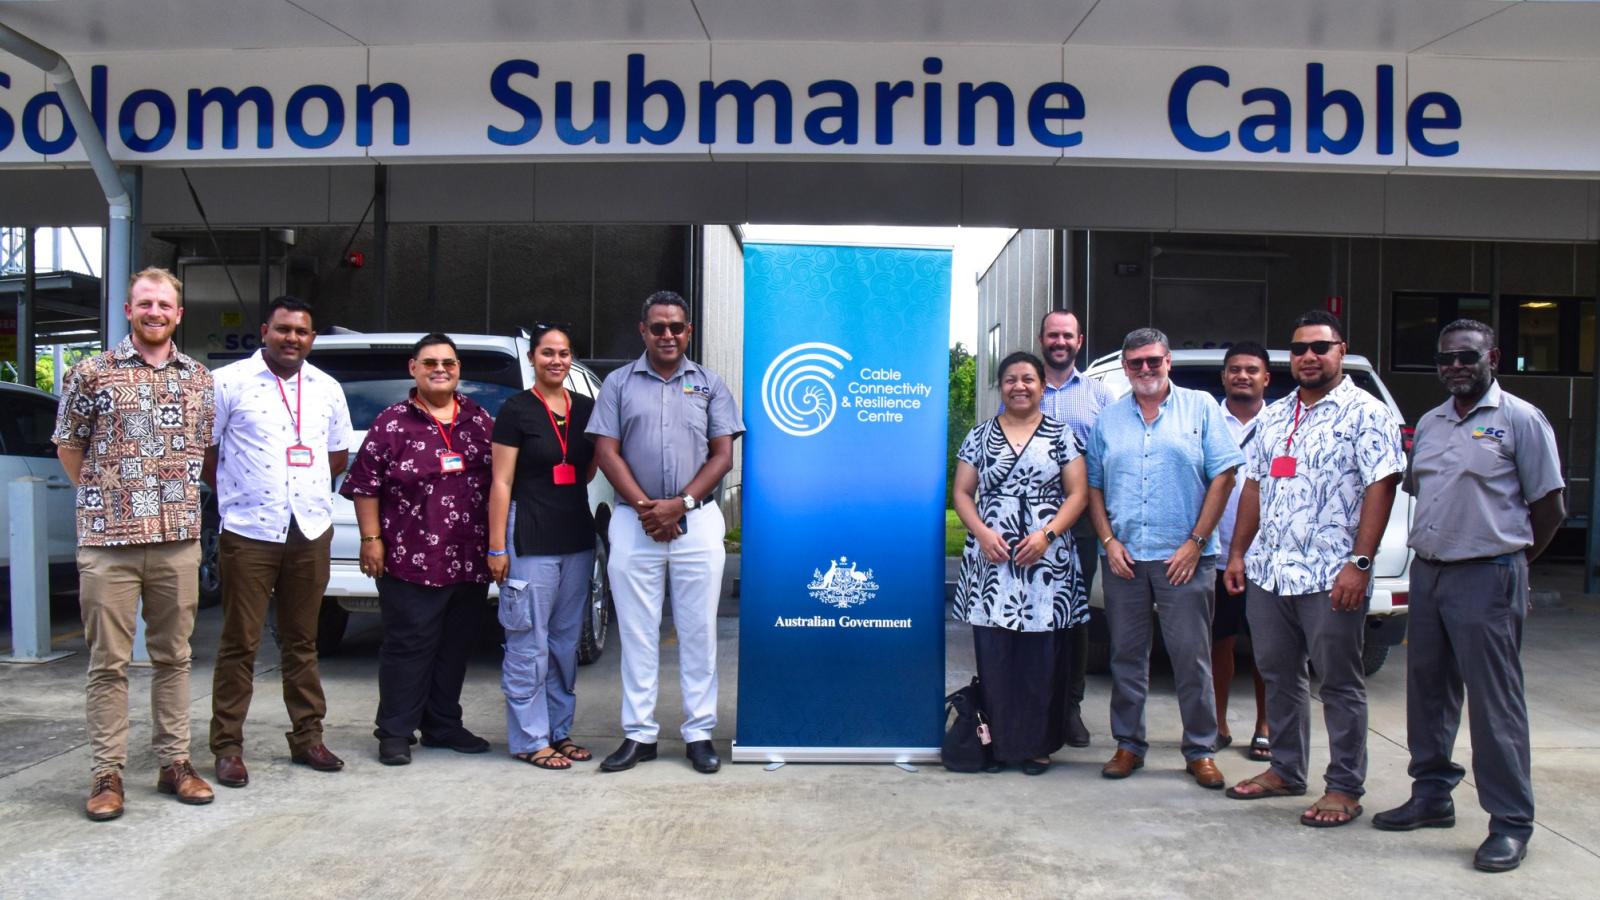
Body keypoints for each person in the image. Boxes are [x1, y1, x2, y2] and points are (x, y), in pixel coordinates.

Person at [1373, 319, 1565, 873]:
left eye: (1466, 356)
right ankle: (1432, 797)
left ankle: (1510, 824)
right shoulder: (1430, 424)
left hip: (1488, 574)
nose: (1455, 365)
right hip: (1430, 574)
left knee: (1494, 704)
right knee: (1427, 694)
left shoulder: (1521, 420)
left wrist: (1512, 563)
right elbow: (1422, 494)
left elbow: (1549, 507)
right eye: (1445, 358)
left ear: (1493, 358)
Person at [1224, 310, 1404, 828]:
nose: (1308, 356)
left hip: (1331, 576)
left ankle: (1345, 787)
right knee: (1279, 674)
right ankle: (1285, 768)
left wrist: (1360, 564)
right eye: (1299, 348)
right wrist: (1239, 553)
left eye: (1319, 348)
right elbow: (1255, 486)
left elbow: (1381, 486)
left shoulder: (1366, 414)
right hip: (1270, 572)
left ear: (1340, 351)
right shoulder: (1275, 416)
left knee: (1340, 683)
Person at [52, 268, 216, 819]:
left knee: (175, 657)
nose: (154, 312)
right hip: (108, 543)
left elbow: (200, 451)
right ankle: (107, 774)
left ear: (178, 315)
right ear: (128, 310)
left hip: (177, 541)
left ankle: (175, 764)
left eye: (164, 305)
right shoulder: (90, 373)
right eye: (144, 303)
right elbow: (69, 448)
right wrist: (108, 499)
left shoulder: (198, 379)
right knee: (109, 663)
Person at [586, 290, 743, 775]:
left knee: (698, 632)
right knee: (636, 632)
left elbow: (722, 455)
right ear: (643, 331)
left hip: (696, 523)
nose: (668, 335)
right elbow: (607, 451)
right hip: (636, 526)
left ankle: (698, 734)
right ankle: (639, 735)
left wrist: (682, 504)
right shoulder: (617, 384)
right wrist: (646, 507)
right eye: (658, 327)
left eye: (676, 327)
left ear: (688, 331)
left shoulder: (710, 384)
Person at [205, 295, 353, 785]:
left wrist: (302, 490)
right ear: (264, 330)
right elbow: (207, 453)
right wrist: (238, 491)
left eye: (302, 332)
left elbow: (336, 456)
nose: (293, 338)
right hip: (249, 530)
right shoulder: (227, 383)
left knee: (302, 640)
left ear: (311, 339)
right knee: (239, 642)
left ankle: (308, 737)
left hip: (309, 528)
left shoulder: (328, 387)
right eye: (284, 329)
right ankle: (227, 747)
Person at [1087, 327, 1240, 789]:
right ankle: (1128, 745)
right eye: (1136, 363)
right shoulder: (1108, 420)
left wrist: (1195, 542)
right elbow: (1093, 485)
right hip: (1125, 559)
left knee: (1191, 658)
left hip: (1185, 557)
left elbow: (1224, 476)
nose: (1146, 370)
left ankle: (1200, 749)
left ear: (1168, 361)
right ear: (1126, 368)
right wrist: (1109, 542)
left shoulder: (1202, 408)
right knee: (1126, 657)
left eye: (1154, 361)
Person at [340, 333, 495, 766]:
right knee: (408, 646)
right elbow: (364, 487)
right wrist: (371, 541)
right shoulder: (392, 423)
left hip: (468, 557)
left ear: (459, 369)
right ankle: (394, 730)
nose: (440, 369)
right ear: (414, 368)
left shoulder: (480, 421)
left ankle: (443, 724)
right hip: (409, 557)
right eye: (430, 362)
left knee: (455, 645)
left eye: (448, 362)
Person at [952, 351, 1089, 774]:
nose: (1019, 386)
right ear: (1001, 386)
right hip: (992, 561)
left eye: (1028, 378)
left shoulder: (1062, 435)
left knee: (1040, 658)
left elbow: (1078, 494)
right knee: (995, 655)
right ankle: (997, 743)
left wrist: (1047, 535)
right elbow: (961, 494)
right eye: (1010, 379)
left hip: (1045, 561)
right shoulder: (978, 436)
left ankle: (1035, 745)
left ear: (1042, 386)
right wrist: (982, 532)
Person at [487, 324, 600, 771]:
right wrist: (497, 547)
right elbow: (501, 481)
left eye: (564, 353)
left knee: (564, 642)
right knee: (527, 642)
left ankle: (559, 731)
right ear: (533, 358)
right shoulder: (515, 410)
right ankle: (530, 738)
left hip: (575, 535)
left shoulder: (588, 409)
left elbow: (588, 472)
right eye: (547, 353)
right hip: (529, 536)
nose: (556, 360)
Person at [1037, 309, 1114, 748]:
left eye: (1067, 335)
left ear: (1079, 341)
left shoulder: (1100, 396)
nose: (1060, 341)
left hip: (1080, 523)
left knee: (1073, 614)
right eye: (1053, 335)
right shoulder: (1026, 385)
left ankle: (1069, 707)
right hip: (1025, 519)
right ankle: (1033, 703)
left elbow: (1106, 461)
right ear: (1042, 338)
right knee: (1029, 613)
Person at [1212, 341, 1271, 761]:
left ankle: (1265, 725)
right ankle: (1216, 722)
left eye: (1252, 369)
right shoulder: (1206, 421)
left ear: (1266, 377)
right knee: (1219, 643)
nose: (1243, 376)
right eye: (1235, 369)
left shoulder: (1284, 422)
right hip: (1215, 554)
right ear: (1224, 377)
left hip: (1268, 557)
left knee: (1268, 647)